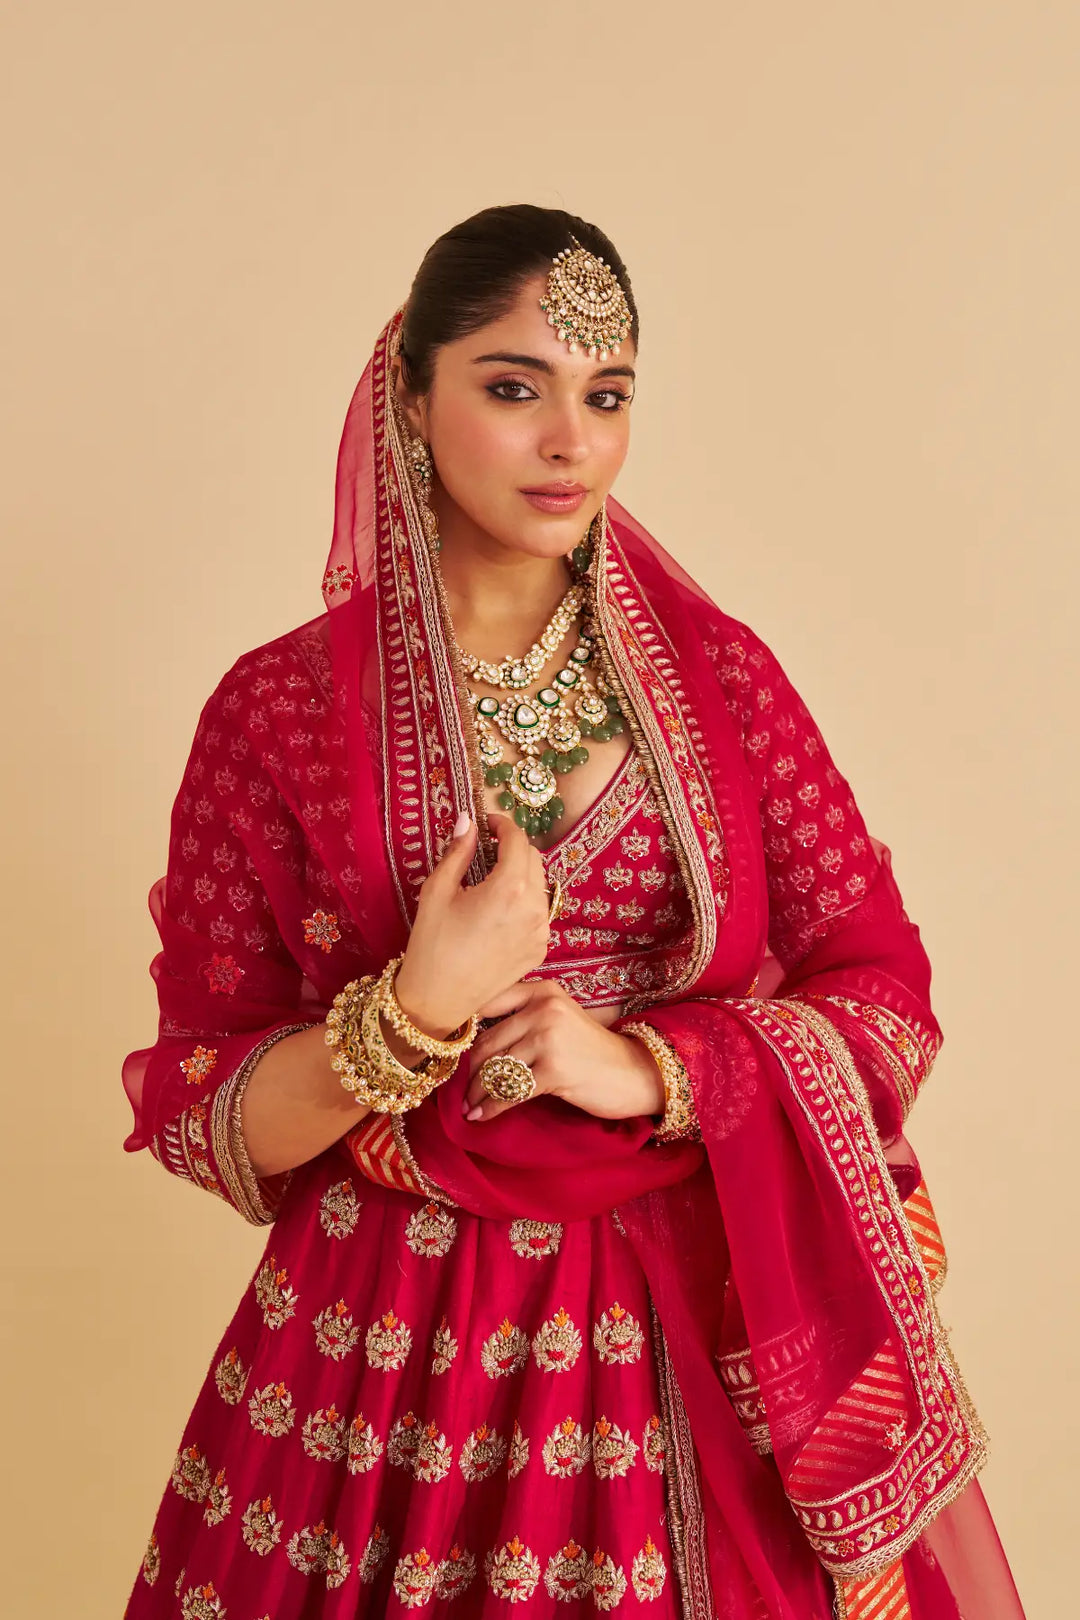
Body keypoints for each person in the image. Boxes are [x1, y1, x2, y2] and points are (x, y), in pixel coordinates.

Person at [121, 205, 1025, 1619]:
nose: (570, 442)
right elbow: (205, 1097)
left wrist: (661, 1066)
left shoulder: (722, 684)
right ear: (410, 398)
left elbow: (883, 990)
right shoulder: (280, 712)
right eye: (512, 386)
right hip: (385, 1347)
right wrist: (415, 1010)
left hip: (685, 1320)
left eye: (605, 397)